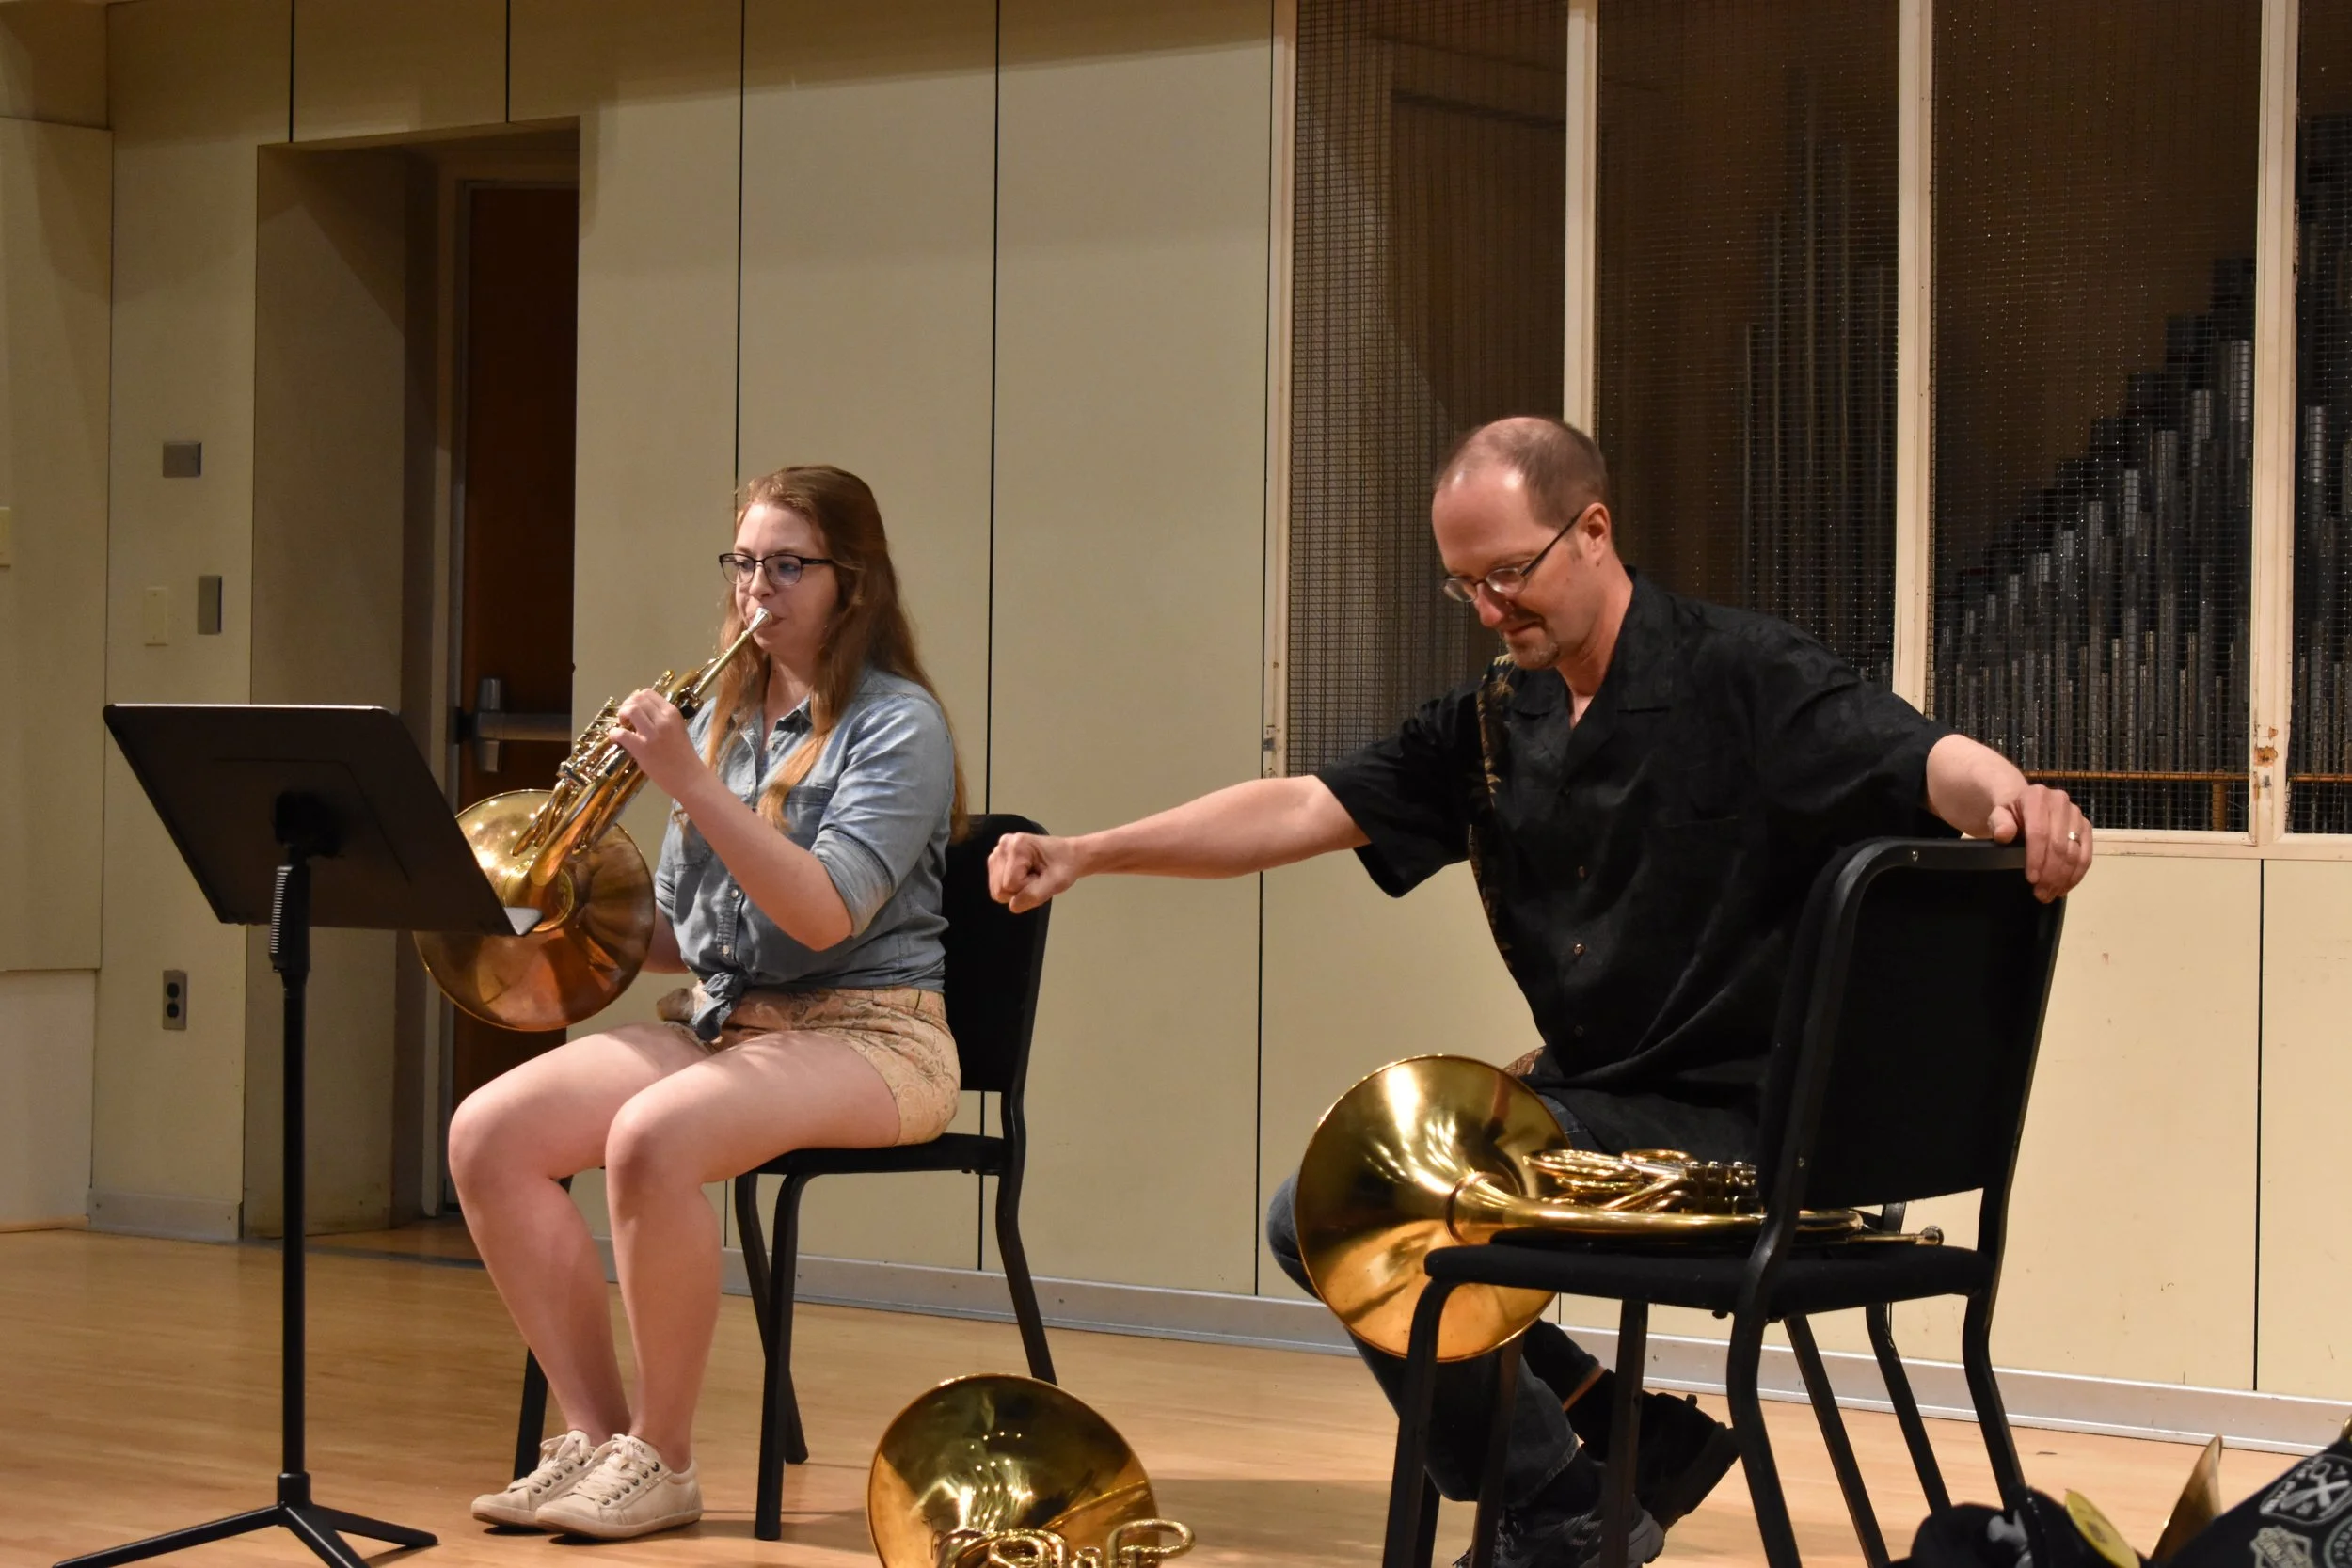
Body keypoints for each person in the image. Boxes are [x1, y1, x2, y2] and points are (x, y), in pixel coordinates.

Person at [987, 418, 2093, 1568]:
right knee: (1319, 1213)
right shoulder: (1489, 720)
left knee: (1361, 1200)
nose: (1489, 608)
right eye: (1463, 583)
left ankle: (1563, 1503)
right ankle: (1592, 1443)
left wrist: (2015, 799)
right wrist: (1087, 851)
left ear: (1594, 530)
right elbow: (1302, 807)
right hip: (1591, 1108)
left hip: (1737, 1127)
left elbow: (1914, 756)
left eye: (1509, 572)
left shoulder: (1737, 673)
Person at [448, 465, 966, 1541]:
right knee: (488, 1132)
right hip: (731, 1019)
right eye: (743, 563)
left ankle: (667, 1457)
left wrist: (688, 783)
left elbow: (824, 915)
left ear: (852, 580)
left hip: (875, 1032)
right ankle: (598, 1438)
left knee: (649, 1137)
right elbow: (688, 936)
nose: (756, 590)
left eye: (787, 566)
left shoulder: (896, 724)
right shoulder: (727, 719)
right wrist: (561, 916)